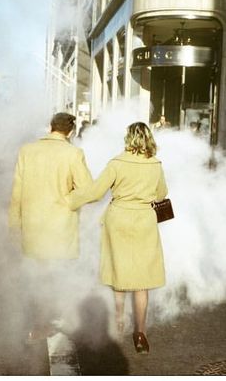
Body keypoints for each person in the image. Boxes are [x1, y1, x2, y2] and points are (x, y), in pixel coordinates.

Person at [67, 122, 168, 354]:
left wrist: (70, 200)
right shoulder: (155, 164)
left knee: (117, 270)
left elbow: (95, 192)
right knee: (142, 280)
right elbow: (162, 193)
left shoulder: (116, 163)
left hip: (118, 218)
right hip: (144, 220)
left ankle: (120, 320)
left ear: (128, 138)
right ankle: (141, 334)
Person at [9, 112, 93, 341]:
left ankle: (38, 322)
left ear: (50, 127)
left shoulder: (27, 151)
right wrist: (69, 201)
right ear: (71, 131)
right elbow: (88, 190)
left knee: (37, 275)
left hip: (33, 225)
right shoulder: (74, 153)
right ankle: (45, 323)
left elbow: (16, 192)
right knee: (54, 276)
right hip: (60, 226)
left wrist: (14, 224)